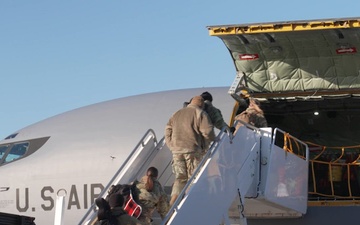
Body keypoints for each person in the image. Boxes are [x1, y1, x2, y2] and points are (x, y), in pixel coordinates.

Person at [165, 95, 215, 206]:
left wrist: (172, 146)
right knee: (194, 178)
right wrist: (209, 143)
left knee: (180, 178)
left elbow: (168, 130)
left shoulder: (176, 113)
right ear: (201, 104)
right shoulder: (200, 113)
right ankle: (190, 203)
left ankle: (173, 201)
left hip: (177, 151)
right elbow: (208, 132)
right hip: (192, 151)